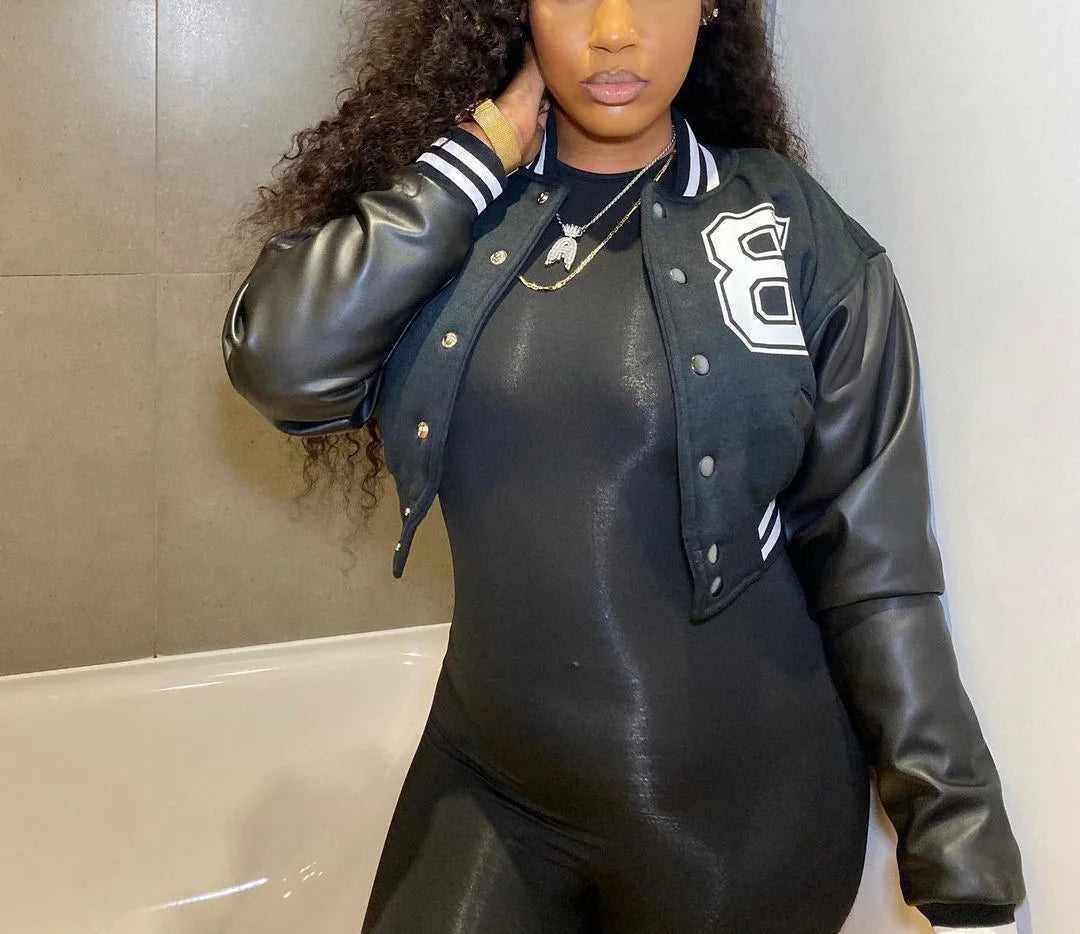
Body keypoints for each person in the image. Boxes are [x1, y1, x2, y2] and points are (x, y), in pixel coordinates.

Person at [221, 2, 1026, 931]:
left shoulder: (790, 233)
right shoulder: (463, 210)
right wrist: (477, 156)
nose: (613, 30)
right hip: (485, 782)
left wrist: (959, 848)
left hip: (740, 819)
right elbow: (282, 364)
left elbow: (877, 569)